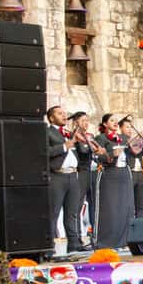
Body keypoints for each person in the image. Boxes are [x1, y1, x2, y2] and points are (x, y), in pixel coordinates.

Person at [46, 106, 86, 253]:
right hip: (57, 175)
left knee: (73, 212)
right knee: (54, 212)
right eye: (60, 113)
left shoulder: (69, 133)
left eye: (65, 113)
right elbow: (44, 151)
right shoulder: (47, 132)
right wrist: (64, 146)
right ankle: (48, 247)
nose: (64, 116)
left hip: (73, 175)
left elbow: (81, 153)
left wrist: (82, 142)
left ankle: (74, 244)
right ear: (51, 118)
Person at [93, 113, 133, 249]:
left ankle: (125, 240)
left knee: (125, 207)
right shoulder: (100, 138)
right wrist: (112, 154)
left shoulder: (123, 138)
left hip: (124, 174)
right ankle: (106, 242)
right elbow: (99, 158)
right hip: (109, 174)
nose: (115, 122)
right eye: (112, 120)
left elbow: (133, 154)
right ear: (105, 124)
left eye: (116, 120)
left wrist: (140, 146)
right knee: (110, 209)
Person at [71, 111, 99, 240]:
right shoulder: (74, 136)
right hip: (81, 171)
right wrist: (89, 145)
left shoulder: (90, 136)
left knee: (94, 204)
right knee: (78, 204)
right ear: (76, 122)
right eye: (83, 120)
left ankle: (95, 234)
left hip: (92, 171)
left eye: (87, 120)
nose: (86, 123)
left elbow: (97, 152)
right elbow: (83, 151)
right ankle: (77, 235)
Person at [119, 117, 143, 219]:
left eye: (131, 127)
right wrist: (132, 144)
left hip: (140, 174)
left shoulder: (136, 141)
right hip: (129, 173)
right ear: (120, 128)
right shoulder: (120, 140)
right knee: (128, 203)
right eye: (127, 127)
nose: (129, 129)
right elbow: (133, 151)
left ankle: (140, 226)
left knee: (140, 203)